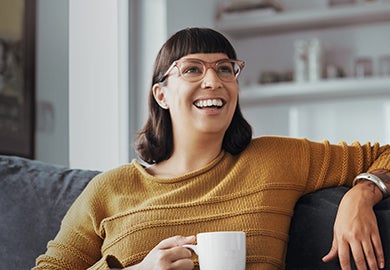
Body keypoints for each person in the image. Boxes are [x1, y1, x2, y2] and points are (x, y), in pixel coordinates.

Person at [34, 27, 390, 270]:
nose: (213, 80)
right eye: (192, 69)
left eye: (225, 68)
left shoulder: (276, 159)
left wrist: (362, 194)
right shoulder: (108, 190)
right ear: (162, 95)